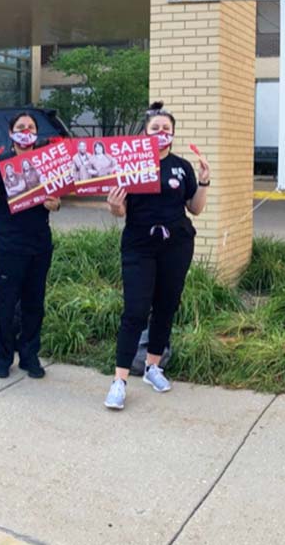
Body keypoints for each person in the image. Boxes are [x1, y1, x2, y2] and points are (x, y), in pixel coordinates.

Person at [103, 101, 209, 410]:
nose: (161, 133)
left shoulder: (181, 166)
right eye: (155, 128)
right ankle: (119, 380)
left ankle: (153, 367)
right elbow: (119, 211)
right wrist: (114, 205)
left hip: (176, 245)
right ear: (145, 132)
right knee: (135, 311)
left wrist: (204, 181)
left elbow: (195, 208)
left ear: (173, 133)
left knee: (166, 307)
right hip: (139, 245)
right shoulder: (130, 164)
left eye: (166, 129)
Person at [0, 112, 60, 379]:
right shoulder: (1, 163)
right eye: (21, 127)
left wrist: (54, 203)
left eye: (31, 127)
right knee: (4, 301)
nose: (26, 131)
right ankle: (2, 358)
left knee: (34, 302)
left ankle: (29, 355)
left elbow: (57, 199)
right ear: (12, 133)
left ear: (36, 133)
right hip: (7, 242)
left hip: (39, 242)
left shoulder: (46, 162)